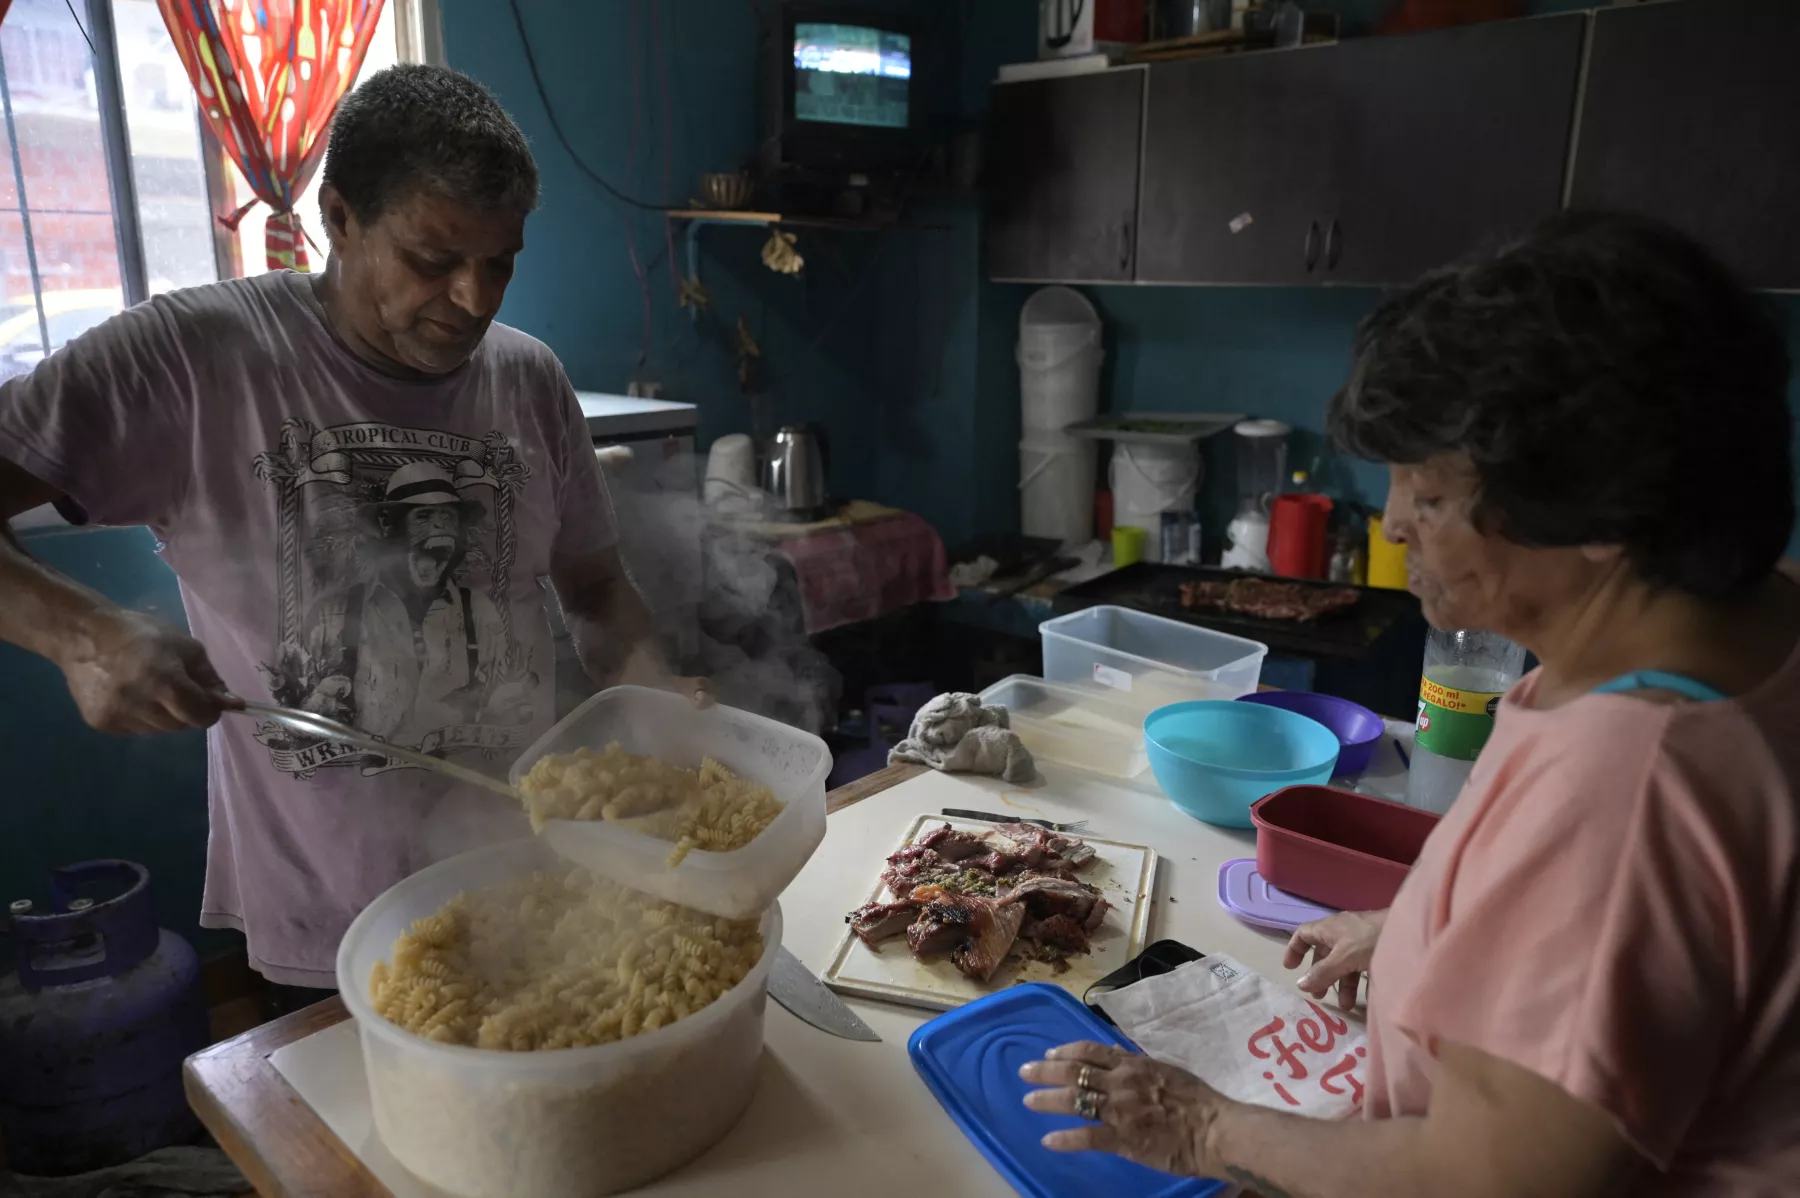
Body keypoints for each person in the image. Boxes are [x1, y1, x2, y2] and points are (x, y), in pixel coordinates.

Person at [1020, 213, 1800, 1196]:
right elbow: (1648, 944)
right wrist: (1433, 930)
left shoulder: (1631, 781)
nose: (1393, 524)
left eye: (1429, 499)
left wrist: (1210, 1126)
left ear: (1603, 516)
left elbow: (1485, 1180)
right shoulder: (1754, 612)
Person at [0, 65, 704, 1002]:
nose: (475, 297)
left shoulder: (530, 379)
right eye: (431, 258)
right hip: (325, 916)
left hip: (530, 880)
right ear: (338, 218)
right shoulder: (193, 357)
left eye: (501, 261)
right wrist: (83, 637)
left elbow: (596, 586)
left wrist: (647, 687)